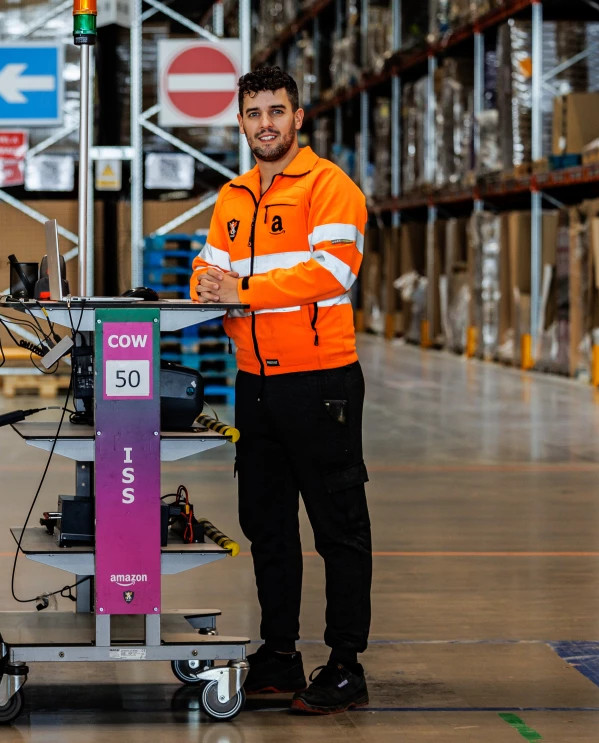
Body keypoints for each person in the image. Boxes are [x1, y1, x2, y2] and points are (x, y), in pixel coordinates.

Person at [190, 66, 371, 715]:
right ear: (241, 122)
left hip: (320, 382)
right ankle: (280, 653)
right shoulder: (234, 196)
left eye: (276, 111)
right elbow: (210, 263)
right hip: (256, 383)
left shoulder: (329, 187)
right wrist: (204, 281)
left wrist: (241, 290)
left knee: (337, 527)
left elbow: (332, 271)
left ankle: (346, 664)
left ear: (298, 117)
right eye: (254, 113)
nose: (265, 124)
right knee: (266, 523)